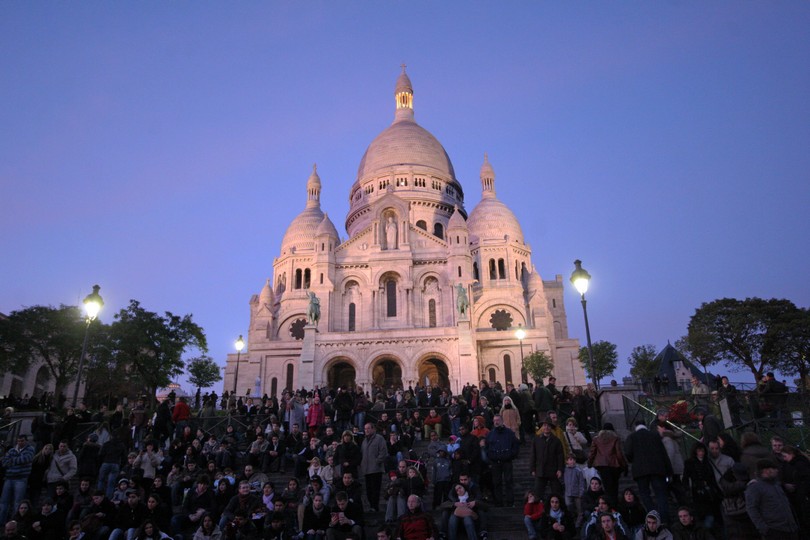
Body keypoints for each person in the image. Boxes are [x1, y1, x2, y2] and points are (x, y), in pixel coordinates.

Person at [624, 421, 672, 523]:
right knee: (661, 494)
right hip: (657, 469)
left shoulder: (632, 437)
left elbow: (628, 453)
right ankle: (664, 519)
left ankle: (653, 516)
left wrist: (634, 460)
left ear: (635, 426)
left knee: (645, 494)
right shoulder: (654, 435)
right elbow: (664, 454)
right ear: (645, 426)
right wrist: (669, 471)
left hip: (640, 470)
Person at [744, 458, 799, 539]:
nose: (777, 471)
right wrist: (764, 529)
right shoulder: (755, 487)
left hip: (790, 529)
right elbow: (752, 509)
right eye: (774, 469)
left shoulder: (776, 485)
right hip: (775, 531)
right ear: (766, 471)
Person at [485, 414, 520, 507]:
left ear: (502, 421)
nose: (496, 422)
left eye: (498, 420)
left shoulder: (509, 433)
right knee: (496, 483)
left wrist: (511, 455)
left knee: (509, 481)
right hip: (495, 462)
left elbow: (516, 445)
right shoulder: (490, 434)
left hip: (507, 461)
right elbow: (487, 447)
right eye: (494, 420)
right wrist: (491, 456)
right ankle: (499, 502)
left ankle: (510, 502)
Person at [587, 423, 626, 506]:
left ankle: (609, 506)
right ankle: (614, 505)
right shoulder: (615, 438)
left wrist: (589, 463)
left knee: (607, 488)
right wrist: (624, 465)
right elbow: (619, 453)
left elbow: (592, 453)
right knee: (615, 487)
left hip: (602, 466)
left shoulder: (596, 439)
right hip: (615, 466)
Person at [0, 435, 35, 525]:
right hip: (9, 478)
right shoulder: (12, 450)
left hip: (21, 478)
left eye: (22, 441)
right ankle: (1, 523)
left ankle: (15, 523)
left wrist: (12, 461)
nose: (20, 443)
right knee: (4, 502)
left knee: (17, 503)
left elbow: (26, 459)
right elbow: (4, 462)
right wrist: (17, 462)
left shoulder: (30, 449)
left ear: (26, 441)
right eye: (19, 441)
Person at [531, 419, 564, 500]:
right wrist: (532, 469)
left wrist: (560, 469)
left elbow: (560, 456)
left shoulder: (556, 440)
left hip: (553, 470)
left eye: (548, 426)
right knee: (537, 493)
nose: (546, 427)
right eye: (544, 425)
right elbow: (533, 455)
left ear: (551, 428)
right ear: (542, 427)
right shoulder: (536, 439)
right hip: (540, 470)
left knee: (556, 493)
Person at [359, 422, 387, 512]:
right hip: (366, 469)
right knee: (369, 490)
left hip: (376, 469)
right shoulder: (364, 441)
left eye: (368, 428)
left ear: (373, 429)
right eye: (365, 429)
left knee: (375, 490)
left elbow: (383, 452)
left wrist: (377, 461)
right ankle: (371, 506)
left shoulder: (379, 438)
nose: (366, 430)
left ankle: (375, 507)